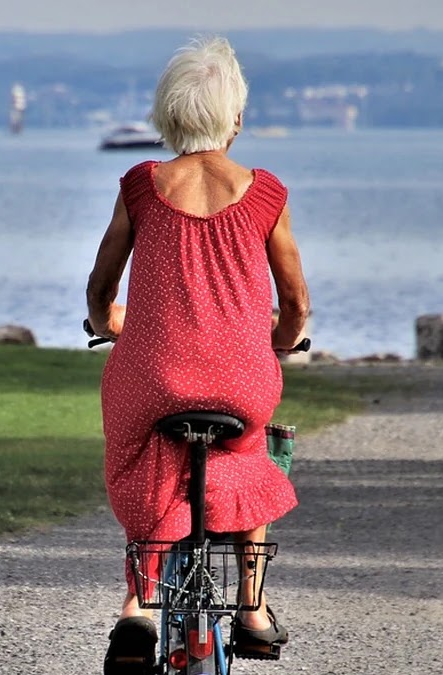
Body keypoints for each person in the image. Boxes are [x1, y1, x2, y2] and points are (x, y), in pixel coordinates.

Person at [85, 36, 310, 673]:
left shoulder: (141, 186)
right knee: (248, 450)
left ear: (167, 115)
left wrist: (108, 322)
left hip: (152, 375)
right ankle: (253, 608)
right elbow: (294, 302)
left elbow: (102, 287)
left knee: (145, 450)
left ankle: (137, 606)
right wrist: (282, 340)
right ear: (234, 117)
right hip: (239, 380)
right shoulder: (266, 192)